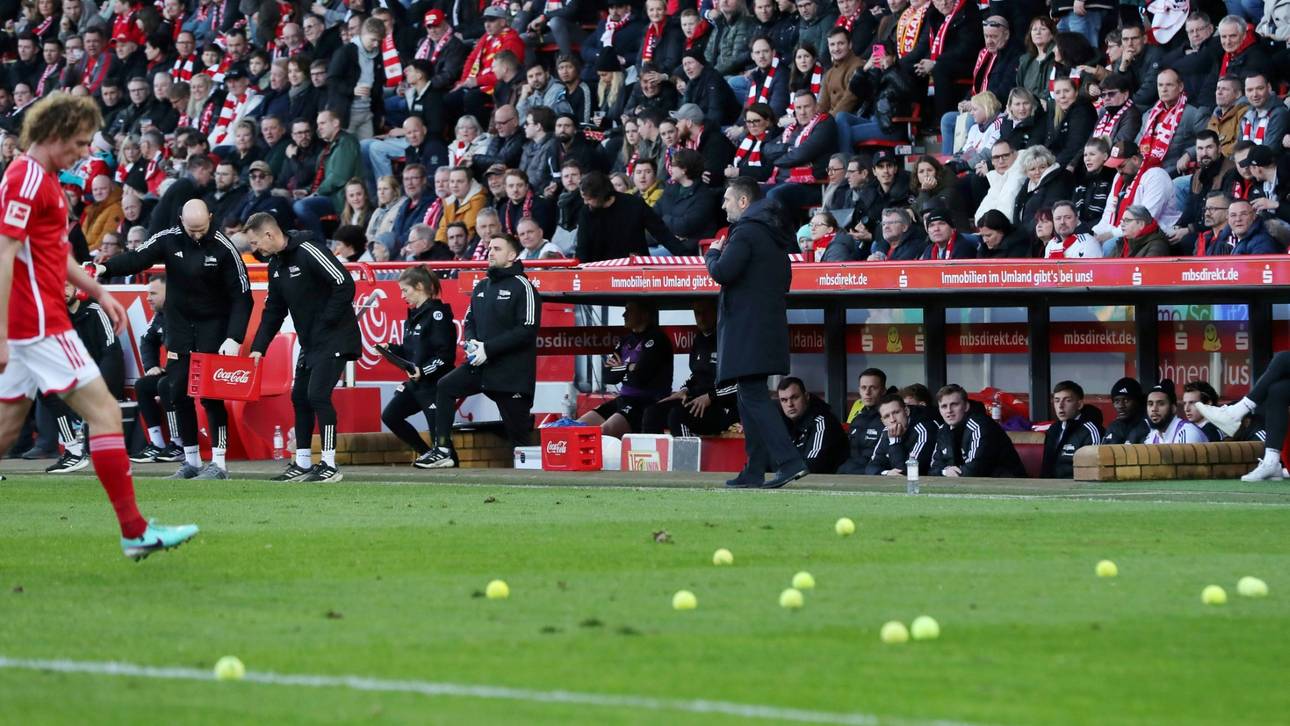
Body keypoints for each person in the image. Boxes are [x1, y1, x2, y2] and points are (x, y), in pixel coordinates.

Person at [0, 92, 197, 558]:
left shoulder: (40, 177)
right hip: (40, 323)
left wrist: (100, 290)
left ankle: (134, 531)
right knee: (106, 414)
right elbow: (5, 252)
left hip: (33, 321)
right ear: (54, 133)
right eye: (79, 142)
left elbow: (54, 254)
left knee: (6, 428)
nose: (84, 152)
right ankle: (134, 531)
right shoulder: (24, 177)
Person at [100, 198, 250, 480]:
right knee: (176, 391)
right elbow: (137, 257)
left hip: (213, 329)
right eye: (192, 229)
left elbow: (243, 297)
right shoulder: (167, 239)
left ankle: (219, 464)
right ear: (181, 220)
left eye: (202, 228)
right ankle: (191, 461)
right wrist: (105, 269)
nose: (196, 235)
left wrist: (234, 337)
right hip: (179, 327)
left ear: (211, 218)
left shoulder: (224, 247)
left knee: (210, 396)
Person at [706, 177, 807, 489]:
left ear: (743, 202)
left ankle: (789, 462)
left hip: (748, 330)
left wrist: (711, 253)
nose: (723, 205)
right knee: (749, 396)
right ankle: (753, 469)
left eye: (727, 199)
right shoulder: (773, 234)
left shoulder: (747, 232)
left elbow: (722, 271)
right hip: (763, 327)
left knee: (752, 396)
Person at [243, 213, 359, 483]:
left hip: (336, 337)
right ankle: (303, 462)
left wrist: (327, 322)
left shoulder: (309, 250)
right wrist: (259, 346)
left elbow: (344, 284)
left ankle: (330, 464)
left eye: (255, 242)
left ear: (270, 235)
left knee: (318, 396)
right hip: (312, 342)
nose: (254, 249)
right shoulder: (275, 265)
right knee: (299, 398)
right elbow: (274, 310)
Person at [419, 234, 540, 469]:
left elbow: (527, 329)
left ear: (512, 255)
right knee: (445, 386)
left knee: (519, 441)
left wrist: (489, 348)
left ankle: (532, 478)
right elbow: (469, 320)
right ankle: (442, 449)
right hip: (480, 365)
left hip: (511, 373)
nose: (490, 252)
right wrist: (473, 342)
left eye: (497, 248)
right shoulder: (482, 285)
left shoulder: (523, 287)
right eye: (489, 248)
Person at [42, 278, 127, 473]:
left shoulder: (95, 310)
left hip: (103, 374)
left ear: (77, 289)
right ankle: (73, 450)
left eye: (65, 286)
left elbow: (111, 350)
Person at [641, 299, 738, 436]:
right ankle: (656, 457)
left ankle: (686, 458)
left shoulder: (729, 340)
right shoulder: (698, 339)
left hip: (721, 405)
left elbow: (740, 384)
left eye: (705, 312)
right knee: (652, 413)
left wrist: (711, 396)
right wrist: (684, 390)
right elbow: (696, 374)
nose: (701, 317)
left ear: (716, 311)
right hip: (696, 400)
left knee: (678, 416)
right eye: (697, 313)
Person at [578, 302, 673, 438]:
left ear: (644, 315)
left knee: (602, 433)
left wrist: (621, 367)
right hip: (623, 399)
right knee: (577, 427)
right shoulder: (626, 340)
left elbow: (640, 377)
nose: (624, 315)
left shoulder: (657, 339)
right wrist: (629, 367)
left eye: (629, 311)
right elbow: (607, 376)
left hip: (644, 403)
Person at [129, 275, 183, 463]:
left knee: (165, 385)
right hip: (174, 369)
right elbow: (147, 339)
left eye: (153, 293)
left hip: (192, 370)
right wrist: (151, 365)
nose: (148, 298)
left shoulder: (186, 311)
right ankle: (157, 443)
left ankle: (178, 444)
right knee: (143, 385)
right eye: (147, 293)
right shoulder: (160, 315)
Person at [576, 171, 681, 261]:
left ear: (600, 195)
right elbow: (583, 247)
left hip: (634, 271)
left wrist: (687, 257)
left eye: (589, 199)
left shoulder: (634, 204)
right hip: (599, 272)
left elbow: (662, 233)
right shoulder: (587, 212)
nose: (585, 202)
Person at [930, 384, 1027, 478]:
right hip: (975, 485)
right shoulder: (943, 430)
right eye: (944, 406)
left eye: (954, 404)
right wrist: (945, 472)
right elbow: (933, 470)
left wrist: (949, 472)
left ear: (966, 406)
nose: (949, 410)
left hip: (1008, 484)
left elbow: (974, 470)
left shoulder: (980, 425)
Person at [777, 376, 847, 474]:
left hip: (830, 482)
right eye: (784, 400)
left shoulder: (823, 421)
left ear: (806, 397)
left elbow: (812, 464)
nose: (790, 404)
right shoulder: (783, 423)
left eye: (795, 397)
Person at [859, 393, 937, 477]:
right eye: (886, 416)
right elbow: (871, 467)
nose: (892, 419)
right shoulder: (886, 431)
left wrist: (894, 441)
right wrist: (887, 473)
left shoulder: (923, 430)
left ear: (906, 411)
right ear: (883, 421)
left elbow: (908, 473)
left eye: (896, 412)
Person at [1040, 381, 1102, 479]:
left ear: (1080, 404)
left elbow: (1092, 471)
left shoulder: (1091, 430)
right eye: (1056, 400)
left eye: (1067, 400)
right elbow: (1046, 467)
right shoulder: (1053, 429)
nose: (1060, 405)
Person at [836, 368, 888, 474]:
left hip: (872, 475)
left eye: (873, 388)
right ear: (859, 390)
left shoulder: (889, 418)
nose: (867, 392)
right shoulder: (857, 418)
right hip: (847, 472)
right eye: (863, 388)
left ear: (883, 390)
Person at [1143, 380, 1207, 444]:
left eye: (1161, 404)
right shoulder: (1153, 436)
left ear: (1173, 408)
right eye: (1150, 404)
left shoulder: (1187, 432)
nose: (1154, 409)